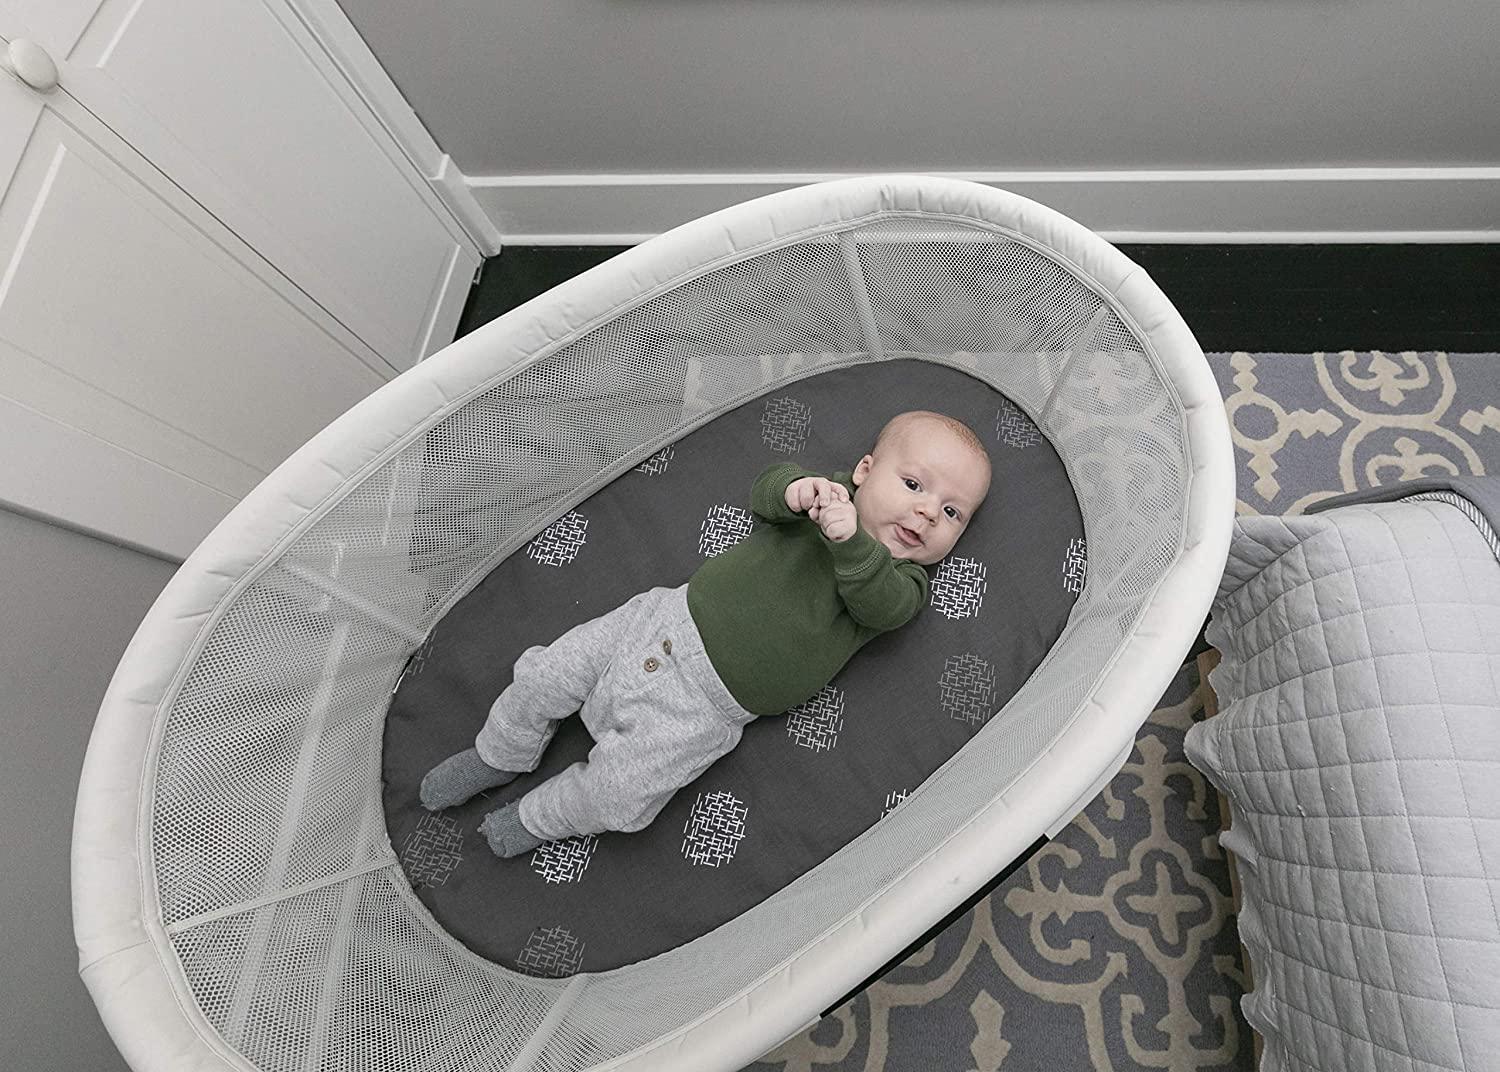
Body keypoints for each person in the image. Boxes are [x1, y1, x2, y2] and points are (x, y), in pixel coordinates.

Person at [419, 409, 993, 856]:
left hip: (703, 712)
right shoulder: (829, 494)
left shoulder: (904, 582)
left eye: (952, 513)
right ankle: (501, 752)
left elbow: (881, 608)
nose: (927, 513)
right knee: (545, 676)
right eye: (914, 484)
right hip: (658, 623)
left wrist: (851, 544)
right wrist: (794, 490)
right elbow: (765, 494)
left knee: (621, 797)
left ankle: (536, 818)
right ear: (865, 471)